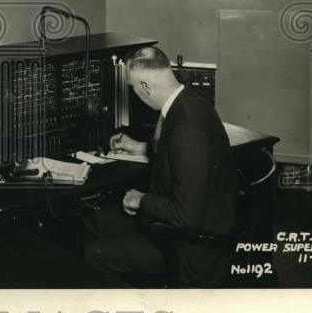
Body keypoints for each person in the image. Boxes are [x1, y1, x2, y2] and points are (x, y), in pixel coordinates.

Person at [83, 46, 238, 287]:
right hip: (190, 225)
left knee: (95, 253)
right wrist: (141, 147)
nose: (135, 94)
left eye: (134, 88)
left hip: (191, 250)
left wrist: (141, 200)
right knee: (99, 221)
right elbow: (180, 158)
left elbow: (186, 217)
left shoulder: (187, 130)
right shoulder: (190, 104)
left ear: (145, 86)